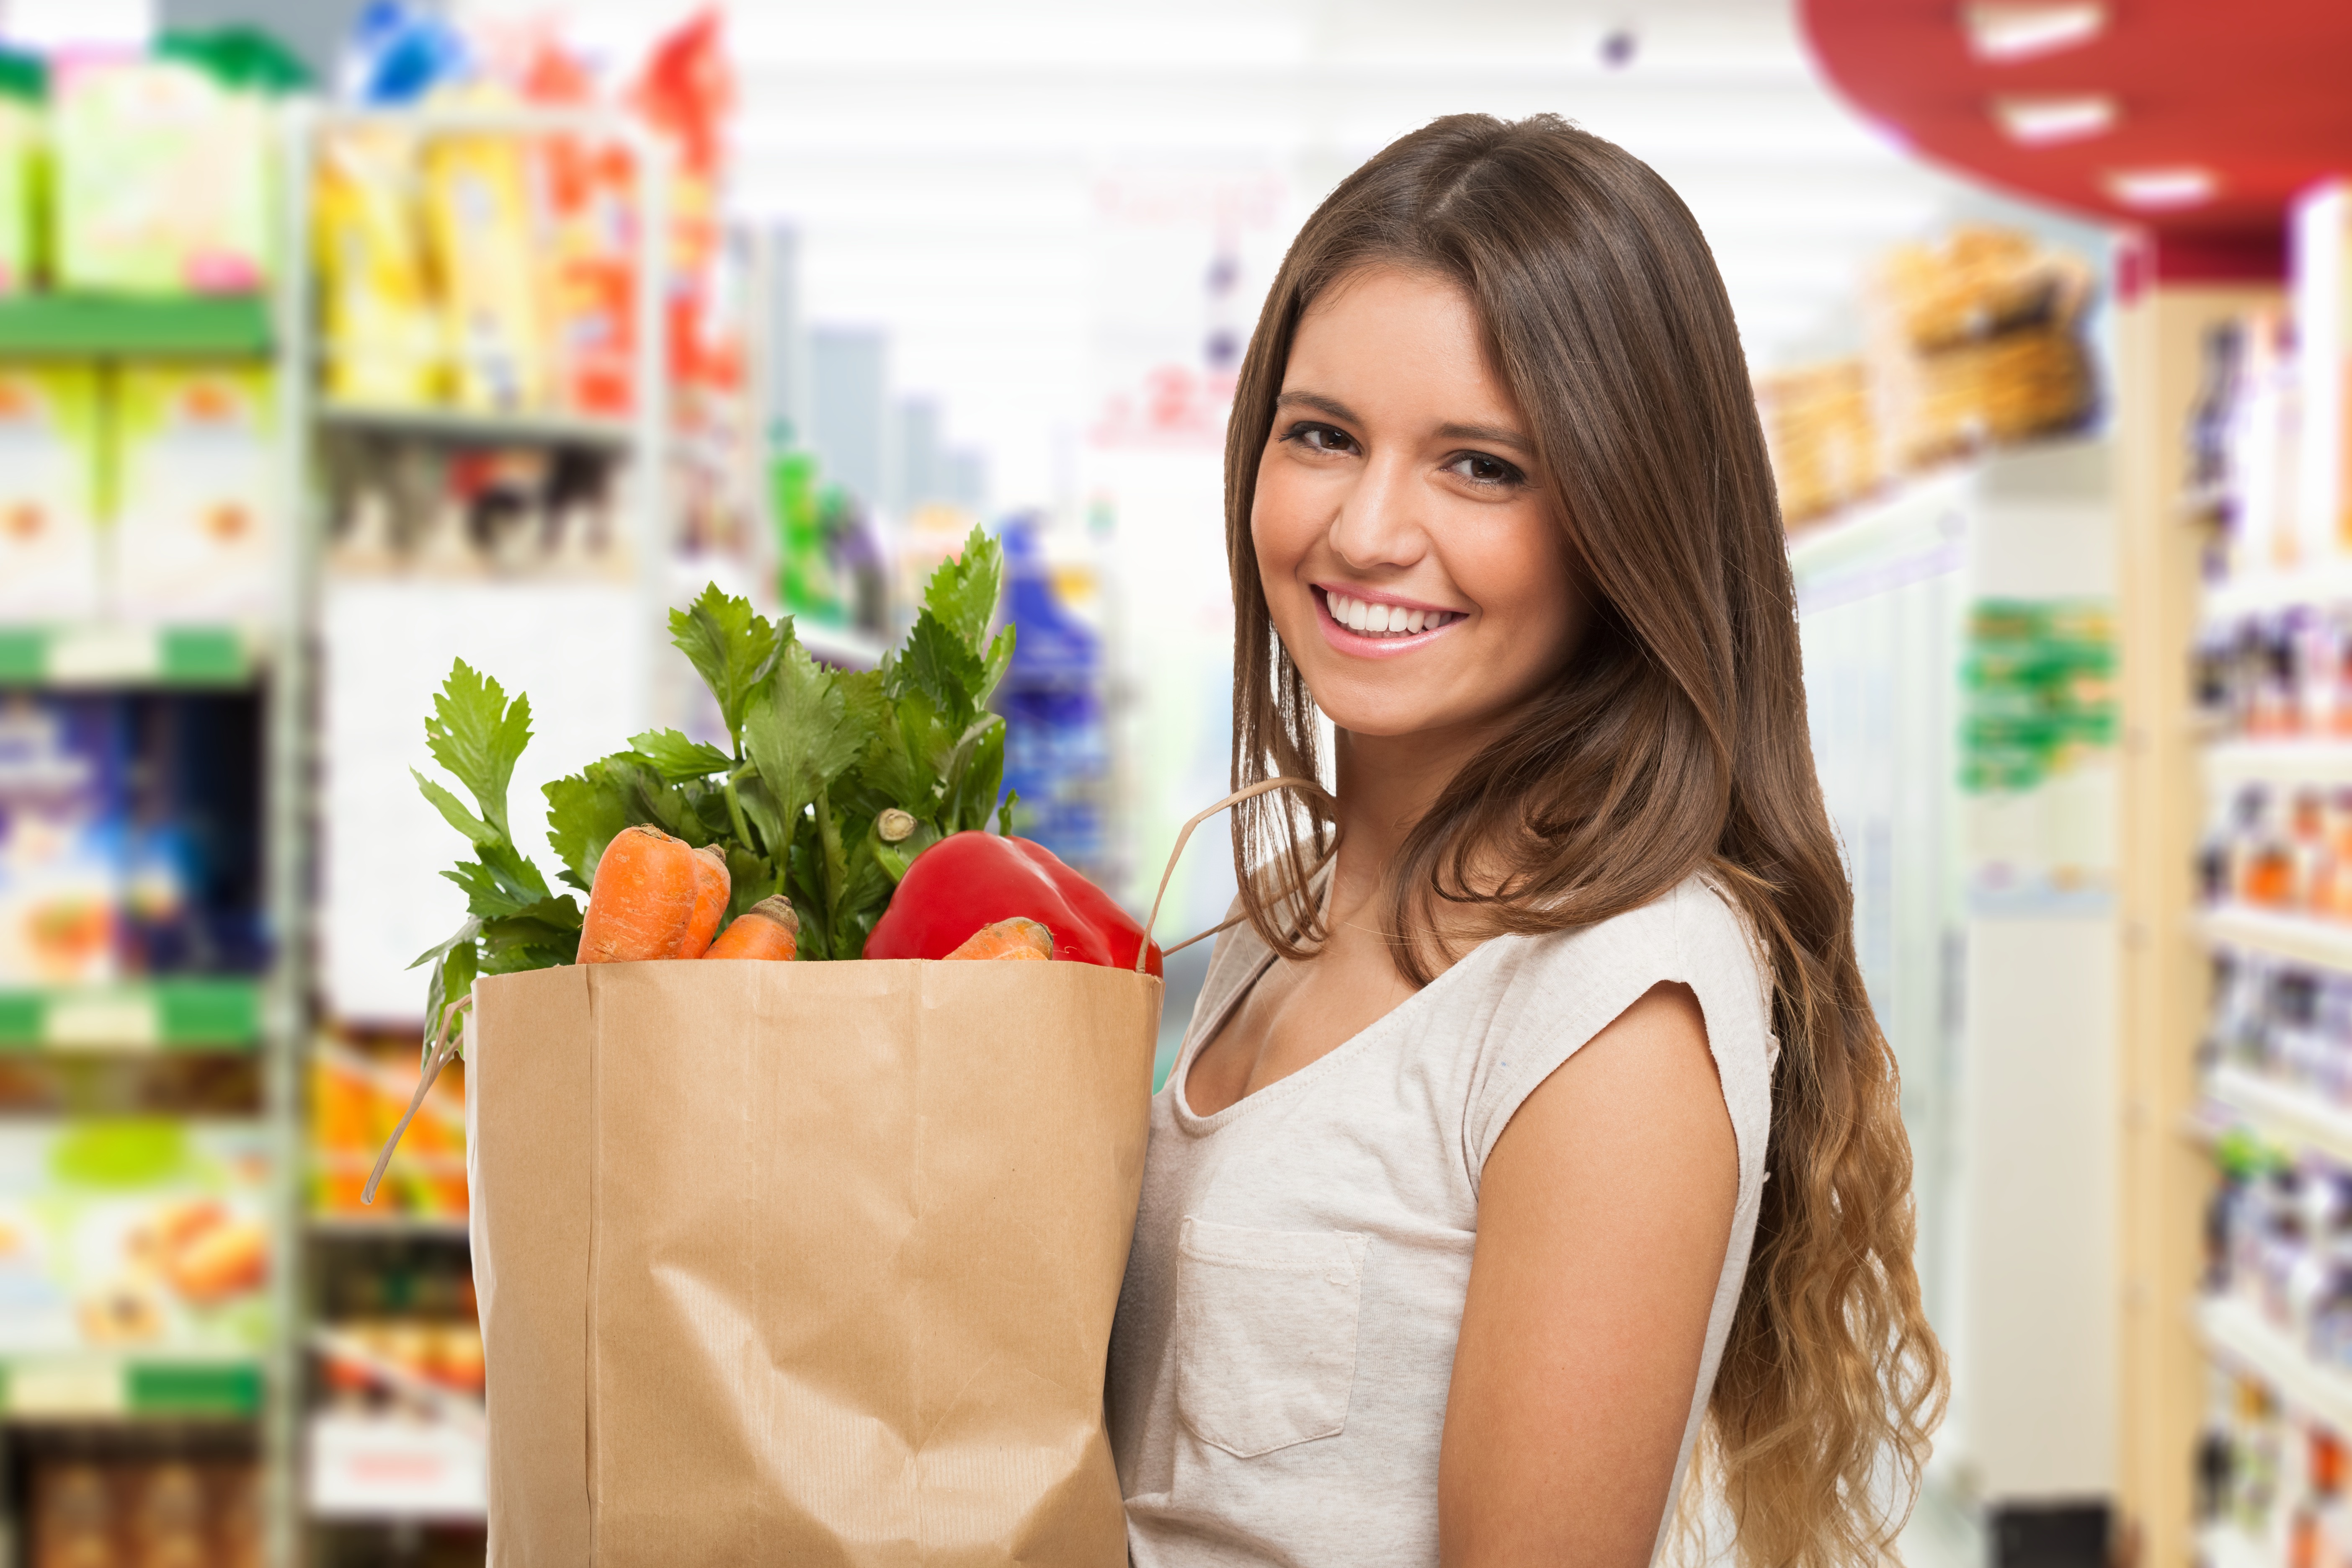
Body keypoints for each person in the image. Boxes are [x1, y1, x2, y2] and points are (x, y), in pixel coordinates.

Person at [1105, 114, 1946, 1568]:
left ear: (1624, 517)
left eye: (1482, 467)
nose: (1367, 531)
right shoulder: (1280, 913)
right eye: (1323, 437)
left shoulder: (1611, 1000)